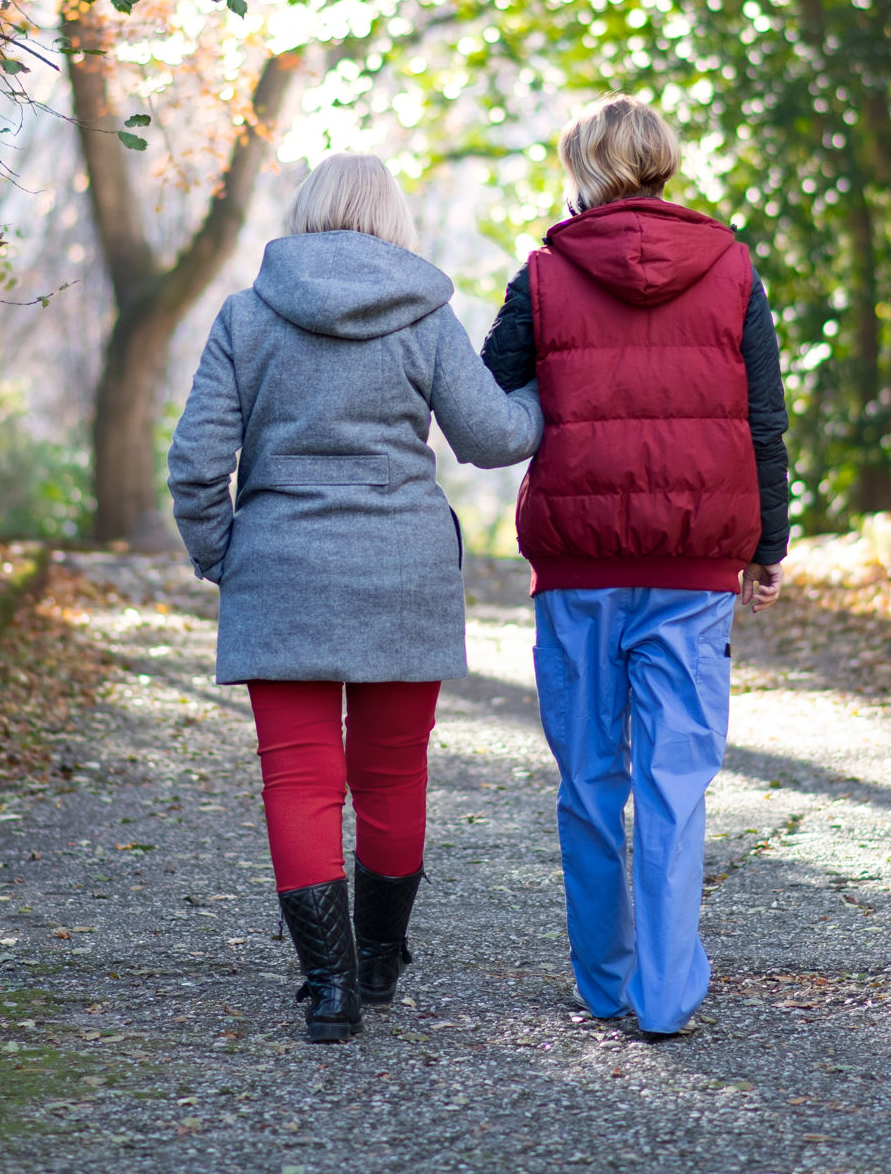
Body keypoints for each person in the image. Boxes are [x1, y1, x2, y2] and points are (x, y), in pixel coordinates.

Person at [167, 152, 542, 1043]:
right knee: (392, 776)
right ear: (394, 218)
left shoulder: (247, 315)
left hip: (282, 574)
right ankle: (378, 959)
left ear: (307, 210)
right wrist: (553, 394)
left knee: (297, 785)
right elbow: (491, 438)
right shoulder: (424, 314)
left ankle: (328, 988)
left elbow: (194, 464)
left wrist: (229, 558)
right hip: (403, 576)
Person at [481, 95, 789, 1038]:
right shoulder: (731, 267)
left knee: (588, 781)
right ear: (662, 163)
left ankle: (605, 982)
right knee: (672, 778)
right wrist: (767, 544)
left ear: (583, 167)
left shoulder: (543, 273)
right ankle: (662, 997)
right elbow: (764, 419)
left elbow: (491, 391)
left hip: (579, 565)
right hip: (695, 564)